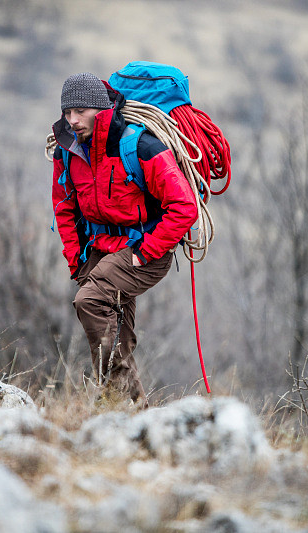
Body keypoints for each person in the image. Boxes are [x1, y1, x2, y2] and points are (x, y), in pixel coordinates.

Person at [51, 72, 198, 407]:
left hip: (144, 250)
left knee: (88, 302)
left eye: (81, 111)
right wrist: (76, 259)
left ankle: (119, 400)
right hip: (100, 251)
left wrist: (144, 253)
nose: (72, 120)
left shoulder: (139, 146)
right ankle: (130, 411)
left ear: (100, 109)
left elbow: (184, 206)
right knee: (116, 333)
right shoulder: (67, 151)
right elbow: (64, 206)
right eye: (67, 112)